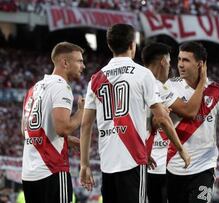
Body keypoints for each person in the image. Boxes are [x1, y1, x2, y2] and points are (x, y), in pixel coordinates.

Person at [79, 24, 190, 203]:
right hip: (132, 161)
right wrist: (181, 149)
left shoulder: (96, 79)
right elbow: (162, 117)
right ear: (133, 45)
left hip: (107, 163)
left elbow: (85, 125)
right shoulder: (143, 74)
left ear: (109, 45)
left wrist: (84, 164)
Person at [165, 41, 219, 203]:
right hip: (173, 165)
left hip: (203, 167)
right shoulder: (170, 86)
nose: (180, 64)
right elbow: (188, 112)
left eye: (186, 60)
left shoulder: (217, 91)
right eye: (179, 59)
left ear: (200, 64)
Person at [141, 42, 207, 203]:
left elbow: (151, 122)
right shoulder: (156, 86)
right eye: (171, 62)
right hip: (160, 166)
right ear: (163, 61)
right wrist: (201, 83)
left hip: (141, 161)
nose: (173, 66)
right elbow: (189, 112)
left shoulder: (136, 81)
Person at [21, 42, 85, 203]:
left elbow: (25, 130)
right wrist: (81, 112)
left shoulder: (34, 88)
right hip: (52, 170)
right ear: (65, 62)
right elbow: (63, 128)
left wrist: (67, 140)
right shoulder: (61, 87)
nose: (83, 66)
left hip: (29, 173)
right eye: (79, 61)